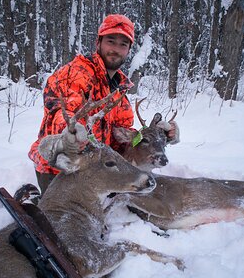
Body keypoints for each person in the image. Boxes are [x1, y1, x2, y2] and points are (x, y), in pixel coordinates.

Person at [27, 14, 179, 196]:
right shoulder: (75, 73)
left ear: (129, 50)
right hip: (62, 169)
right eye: (111, 41)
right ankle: (32, 199)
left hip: (99, 167)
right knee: (72, 220)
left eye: (123, 44)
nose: (116, 49)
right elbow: (62, 114)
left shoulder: (119, 90)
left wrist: (158, 138)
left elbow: (122, 138)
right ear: (98, 43)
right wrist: (71, 134)